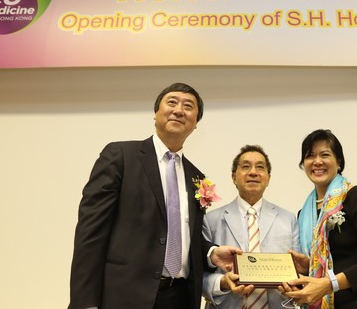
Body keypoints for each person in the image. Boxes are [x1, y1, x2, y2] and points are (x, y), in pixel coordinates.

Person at [68, 82, 241, 309]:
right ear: (156, 113)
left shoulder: (196, 177)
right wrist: (84, 303)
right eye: (172, 102)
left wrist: (211, 252)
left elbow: (183, 235)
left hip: (180, 298)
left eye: (188, 106)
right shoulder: (120, 157)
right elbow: (90, 234)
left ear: (196, 124)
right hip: (124, 296)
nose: (179, 110)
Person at [280, 129, 357, 309]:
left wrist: (330, 284)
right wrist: (309, 265)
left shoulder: (356, 197)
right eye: (310, 156)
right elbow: (336, 260)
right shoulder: (304, 214)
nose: (317, 161)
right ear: (304, 164)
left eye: (325, 154)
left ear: (338, 162)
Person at [202, 145, 300, 309]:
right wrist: (222, 283)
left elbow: (299, 271)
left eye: (260, 167)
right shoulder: (211, 220)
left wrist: (293, 284)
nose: (253, 172)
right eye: (246, 166)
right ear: (234, 177)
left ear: (268, 178)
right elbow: (198, 275)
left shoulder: (289, 219)